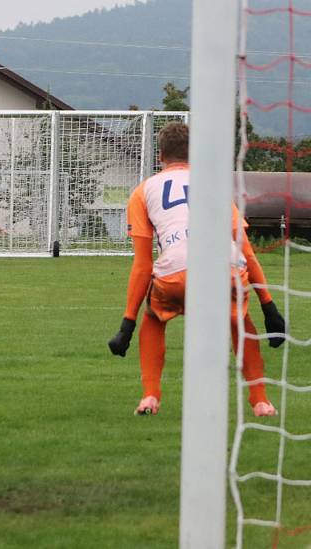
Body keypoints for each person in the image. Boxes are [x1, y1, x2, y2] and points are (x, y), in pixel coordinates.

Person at [107, 121, 285, 416]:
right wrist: (269, 307)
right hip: (224, 269)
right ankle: (261, 401)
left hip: (175, 275)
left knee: (153, 317)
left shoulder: (143, 191)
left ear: (161, 156)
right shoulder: (213, 186)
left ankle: (150, 396)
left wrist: (127, 323)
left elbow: (142, 265)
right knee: (239, 320)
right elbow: (246, 251)